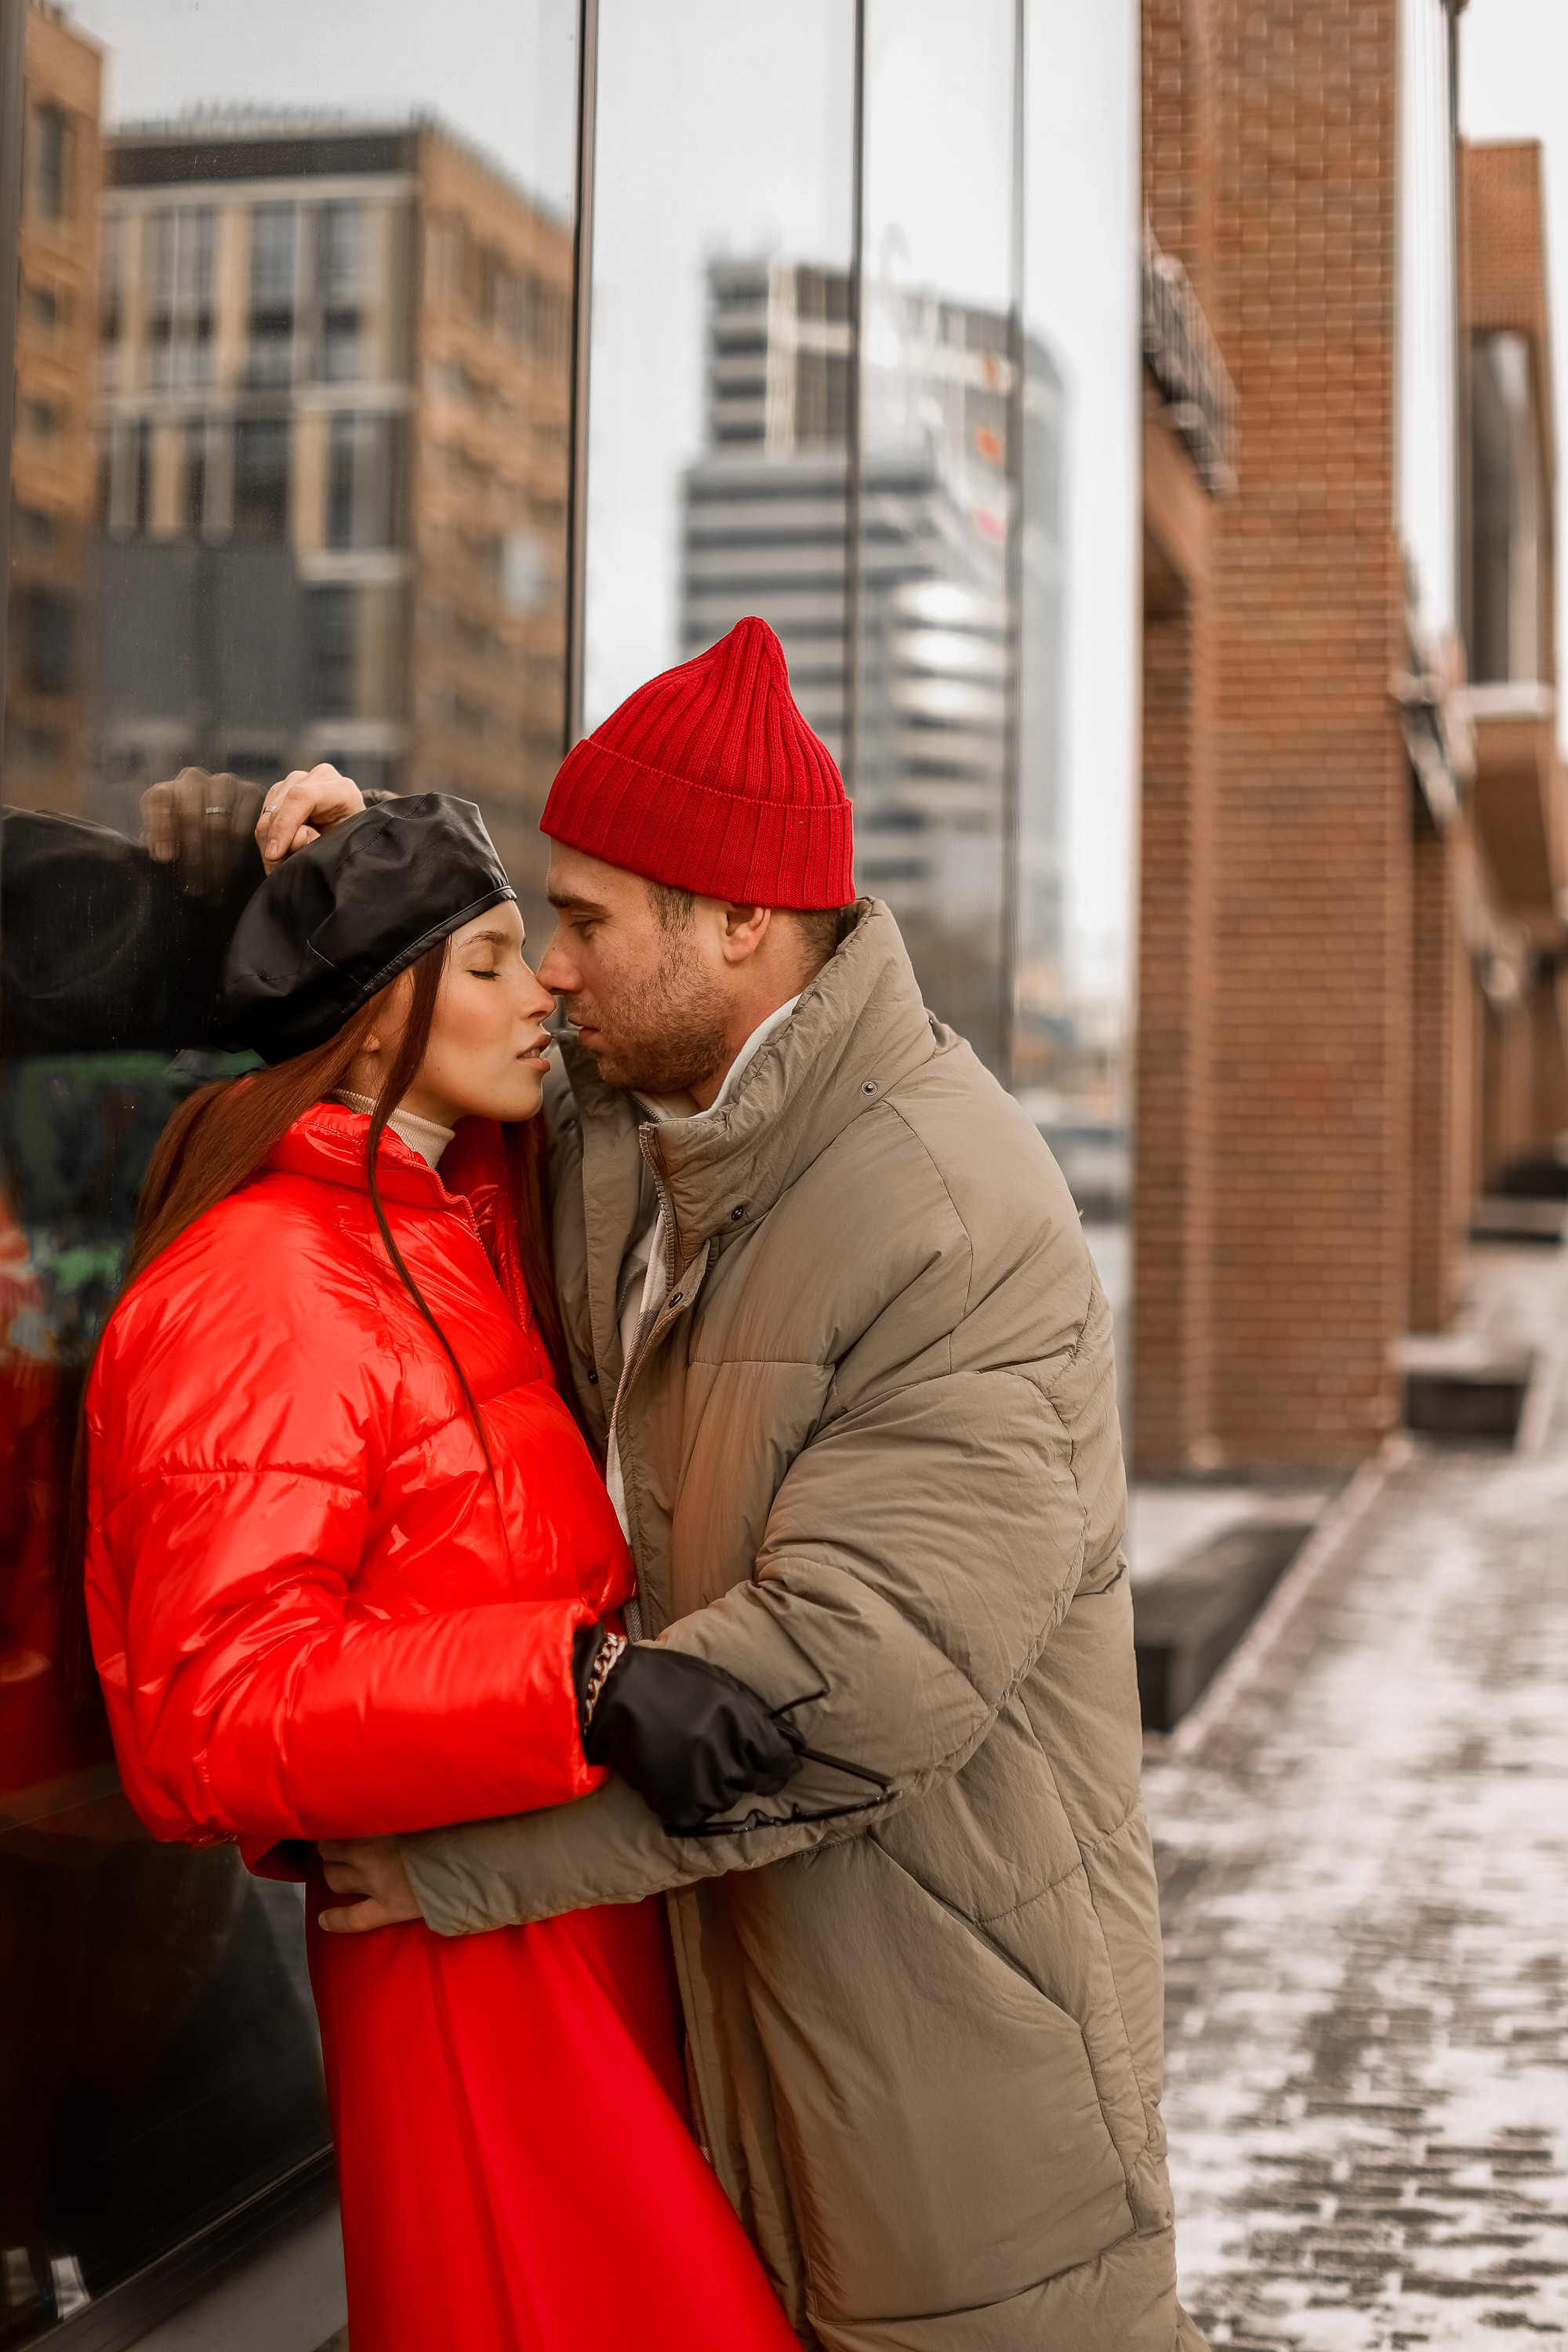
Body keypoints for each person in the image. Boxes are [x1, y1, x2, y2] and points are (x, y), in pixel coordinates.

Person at [269, 619, 1210, 2352]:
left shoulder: (947, 1217)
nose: (549, 971)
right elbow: (432, 1045)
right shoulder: (658, 1125)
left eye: (586, 923)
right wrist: (347, 867)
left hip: (949, 2117)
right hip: (727, 2033)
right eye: (542, 923)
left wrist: (463, 1866)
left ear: (737, 925)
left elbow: (840, 1687)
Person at [79, 796, 801, 2352]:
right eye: (485, 960)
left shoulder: (438, 1231)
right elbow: (213, 1710)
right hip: (464, 1985)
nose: (541, 984)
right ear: (363, 1026)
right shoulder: (264, 1284)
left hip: (557, 1932)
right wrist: (582, 1682)